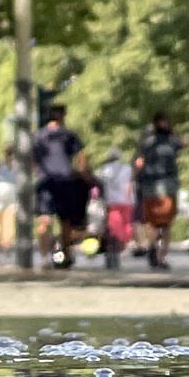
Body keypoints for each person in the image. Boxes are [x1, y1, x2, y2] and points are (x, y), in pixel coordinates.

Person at [32, 105, 87, 261]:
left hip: (45, 181)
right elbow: (82, 156)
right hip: (64, 181)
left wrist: (38, 172)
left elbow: (33, 159)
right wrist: (80, 172)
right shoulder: (68, 135)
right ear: (62, 116)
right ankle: (67, 254)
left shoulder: (38, 135)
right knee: (65, 221)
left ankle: (45, 258)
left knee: (44, 219)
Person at [133, 111, 183, 270]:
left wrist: (134, 178)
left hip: (152, 184)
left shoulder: (147, 143)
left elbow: (139, 162)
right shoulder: (171, 141)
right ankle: (159, 254)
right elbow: (182, 143)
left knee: (154, 222)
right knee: (164, 223)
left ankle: (154, 249)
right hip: (164, 184)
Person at [97, 147, 136, 269]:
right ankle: (123, 246)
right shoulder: (127, 168)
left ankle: (115, 249)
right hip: (127, 201)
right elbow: (130, 185)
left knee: (114, 226)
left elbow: (101, 185)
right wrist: (130, 199)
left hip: (112, 202)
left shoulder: (104, 169)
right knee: (126, 224)